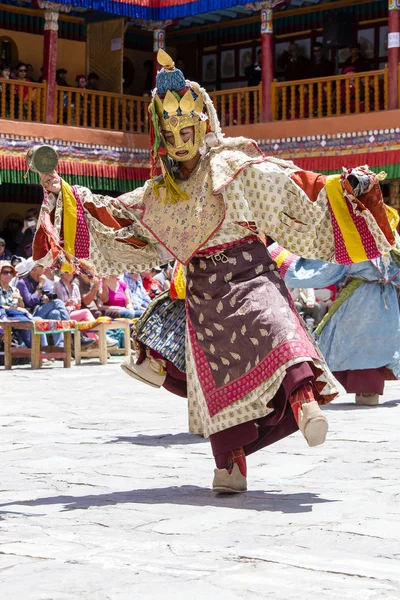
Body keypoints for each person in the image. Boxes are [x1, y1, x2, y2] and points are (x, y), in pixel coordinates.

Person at [34, 49, 395, 494]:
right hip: (203, 291)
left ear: (203, 123)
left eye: (188, 128)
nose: (181, 139)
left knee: (279, 330)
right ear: (161, 136)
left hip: (250, 273)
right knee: (216, 381)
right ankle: (230, 466)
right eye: (171, 132)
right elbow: (117, 220)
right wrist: (63, 193)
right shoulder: (160, 194)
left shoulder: (234, 167)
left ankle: (305, 405)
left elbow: (293, 185)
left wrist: (345, 188)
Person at [277, 238, 400, 407]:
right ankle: (368, 390)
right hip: (386, 301)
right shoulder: (390, 239)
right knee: (379, 343)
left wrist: (285, 261)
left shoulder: (355, 237)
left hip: (360, 300)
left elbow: (326, 270)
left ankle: (364, 389)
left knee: (355, 344)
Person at [16, 258, 70, 348]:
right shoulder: (23, 283)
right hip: (31, 314)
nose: (44, 268)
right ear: (34, 269)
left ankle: (58, 347)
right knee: (58, 302)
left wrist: (46, 298)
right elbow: (30, 302)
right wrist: (40, 285)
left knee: (55, 313)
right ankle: (69, 330)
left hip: (41, 310)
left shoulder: (42, 280)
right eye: (41, 266)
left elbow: (48, 295)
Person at [0, 261, 33, 348]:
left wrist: (20, 299)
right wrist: (16, 309)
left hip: (16, 315)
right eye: (5, 272)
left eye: (11, 272)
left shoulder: (15, 289)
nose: (8, 275)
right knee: (25, 321)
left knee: (37, 321)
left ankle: (40, 350)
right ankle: (36, 352)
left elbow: (22, 307)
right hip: (4, 316)